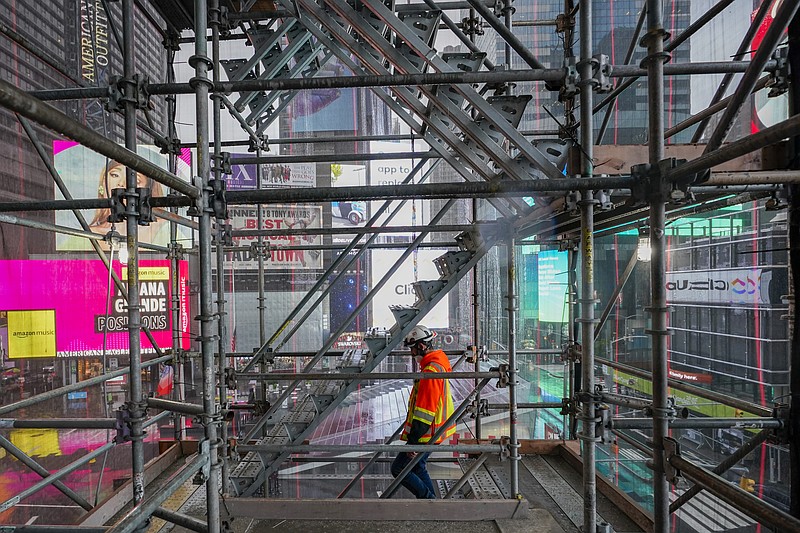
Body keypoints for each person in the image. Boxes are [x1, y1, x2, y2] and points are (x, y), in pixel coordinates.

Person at [391, 325, 455, 499]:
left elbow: (425, 411)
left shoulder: (430, 372)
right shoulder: (436, 365)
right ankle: (432, 504)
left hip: (426, 434)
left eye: (412, 348)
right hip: (432, 432)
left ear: (421, 346)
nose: (412, 353)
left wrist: (413, 442)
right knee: (418, 467)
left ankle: (429, 501)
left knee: (398, 468)